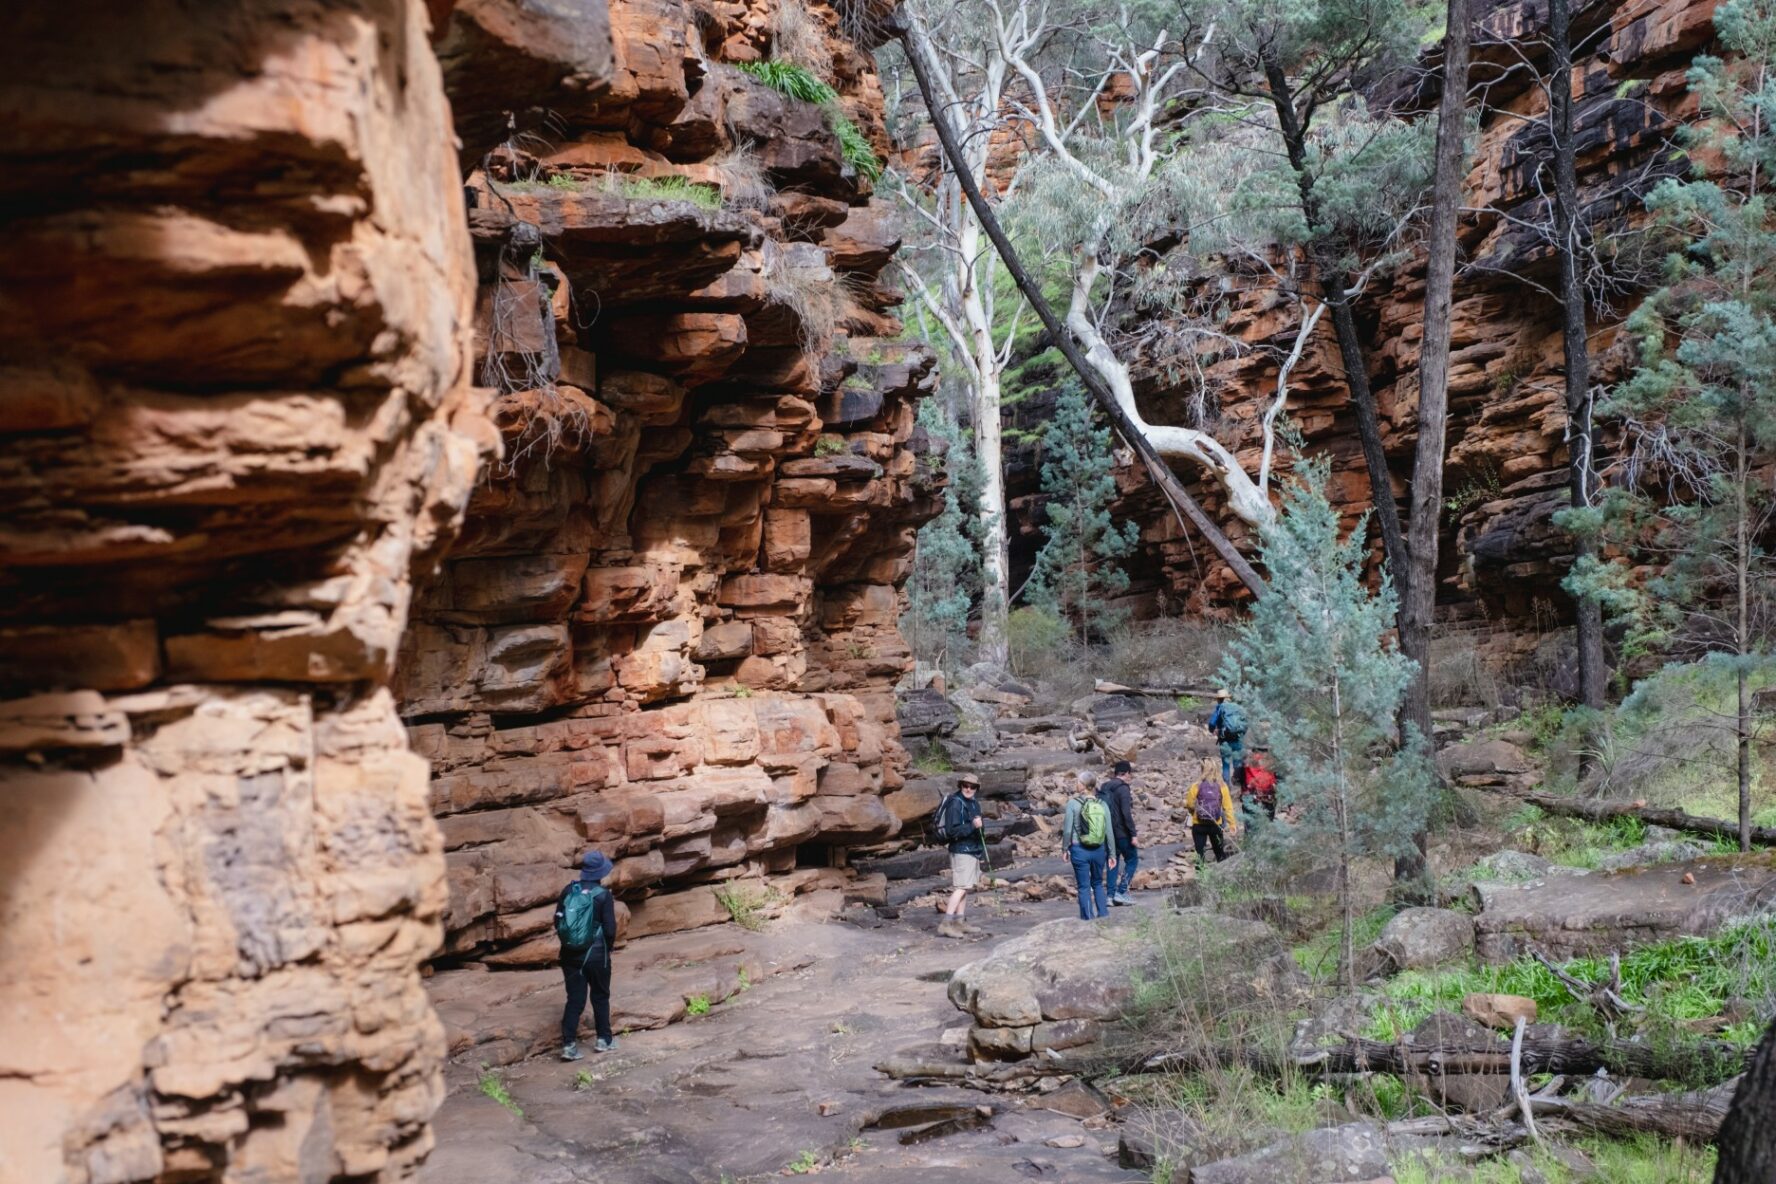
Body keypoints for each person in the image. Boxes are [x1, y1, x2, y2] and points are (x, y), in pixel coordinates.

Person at [555, 850, 620, 1060]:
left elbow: (558, 922)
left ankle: (568, 1046)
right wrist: (607, 949)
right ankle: (603, 1040)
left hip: (570, 955)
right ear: (601, 872)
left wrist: (571, 943)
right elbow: (610, 929)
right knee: (600, 996)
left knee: (574, 999)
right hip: (596, 955)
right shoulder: (603, 895)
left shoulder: (568, 891)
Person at [937, 773, 986, 938]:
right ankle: (946, 923)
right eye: (965, 785)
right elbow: (952, 831)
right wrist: (973, 826)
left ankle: (959, 922)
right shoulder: (955, 804)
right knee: (961, 887)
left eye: (972, 786)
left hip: (972, 849)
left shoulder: (974, 803)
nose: (968, 789)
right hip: (960, 850)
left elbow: (978, 827)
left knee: (967, 886)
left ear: (976, 788)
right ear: (960, 786)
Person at [1062, 770, 1113, 920]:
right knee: (1097, 883)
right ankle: (1104, 917)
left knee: (1084, 887)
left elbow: (1067, 830)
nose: (1076, 784)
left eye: (1078, 781)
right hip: (1099, 849)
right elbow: (1108, 831)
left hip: (1079, 849)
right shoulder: (1102, 804)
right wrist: (1112, 854)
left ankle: (1088, 921)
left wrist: (1065, 848)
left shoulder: (1073, 803)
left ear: (1083, 786)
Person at [1097, 759, 1139, 905]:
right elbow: (1126, 814)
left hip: (1107, 833)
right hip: (1122, 833)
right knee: (1132, 860)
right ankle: (1121, 892)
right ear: (1126, 773)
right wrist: (1133, 834)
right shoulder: (1123, 789)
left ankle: (1109, 896)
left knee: (1112, 861)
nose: (1130, 777)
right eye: (1130, 774)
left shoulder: (1104, 787)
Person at [1185, 758, 1238, 869]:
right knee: (1219, 852)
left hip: (1198, 824)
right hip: (1215, 824)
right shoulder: (1222, 786)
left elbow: (1189, 804)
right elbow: (1228, 807)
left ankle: (1200, 879)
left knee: (1200, 854)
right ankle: (1224, 876)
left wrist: (1193, 812)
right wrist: (1232, 824)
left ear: (1202, 769)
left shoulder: (1196, 786)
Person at [1206, 689, 1249, 784]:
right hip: (1238, 739)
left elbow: (1212, 723)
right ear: (1228, 698)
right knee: (1237, 762)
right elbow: (1245, 723)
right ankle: (1237, 786)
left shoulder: (1220, 708)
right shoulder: (1237, 707)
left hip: (1225, 740)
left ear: (1219, 699)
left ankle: (1227, 788)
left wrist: (1213, 730)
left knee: (1226, 764)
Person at [1242, 748, 1278, 823]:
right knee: (1268, 822)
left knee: (1251, 825)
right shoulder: (1271, 759)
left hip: (1251, 796)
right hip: (1269, 797)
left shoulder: (1248, 758)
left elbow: (1239, 778)